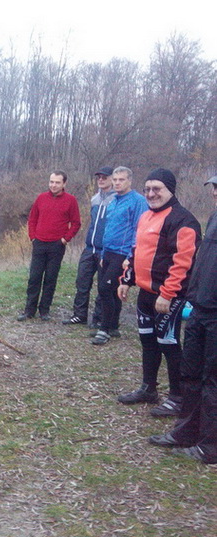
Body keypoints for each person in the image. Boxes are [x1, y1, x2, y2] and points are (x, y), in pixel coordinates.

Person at [115, 169, 200, 412]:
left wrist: (168, 293)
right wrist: (126, 279)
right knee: (148, 341)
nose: (151, 194)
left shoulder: (183, 221)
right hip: (146, 293)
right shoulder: (146, 216)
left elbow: (184, 263)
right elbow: (137, 251)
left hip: (168, 296)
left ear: (170, 190)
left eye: (157, 189)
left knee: (168, 344)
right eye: (147, 189)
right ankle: (148, 388)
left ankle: (178, 397)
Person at [148, 175, 217, 463]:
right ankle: (187, 431)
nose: (214, 192)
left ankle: (210, 446)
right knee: (191, 374)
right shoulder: (213, 218)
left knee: (212, 380)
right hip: (200, 308)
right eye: (214, 187)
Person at [90, 167, 149, 345]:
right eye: (115, 179)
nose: (117, 183)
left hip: (122, 253)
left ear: (129, 180)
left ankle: (104, 329)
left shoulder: (138, 201)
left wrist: (130, 257)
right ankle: (113, 326)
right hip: (108, 251)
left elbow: (139, 230)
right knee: (113, 291)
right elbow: (109, 228)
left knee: (105, 288)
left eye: (121, 180)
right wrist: (103, 253)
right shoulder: (113, 200)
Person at [17, 171, 81, 321]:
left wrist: (65, 239)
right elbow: (32, 219)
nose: (53, 185)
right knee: (34, 277)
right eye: (51, 182)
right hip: (39, 243)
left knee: (50, 278)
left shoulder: (70, 200)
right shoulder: (41, 198)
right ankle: (29, 310)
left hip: (57, 245)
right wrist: (33, 237)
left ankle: (44, 310)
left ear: (64, 184)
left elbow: (76, 223)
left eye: (57, 182)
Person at [62, 166, 116, 326]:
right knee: (82, 282)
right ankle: (79, 315)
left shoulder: (116, 199)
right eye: (99, 177)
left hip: (105, 250)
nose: (101, 180)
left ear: (112, 179)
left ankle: (98, 319)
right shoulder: (95, 198)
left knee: (103, 286)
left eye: (104, 177)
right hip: (89, 247)